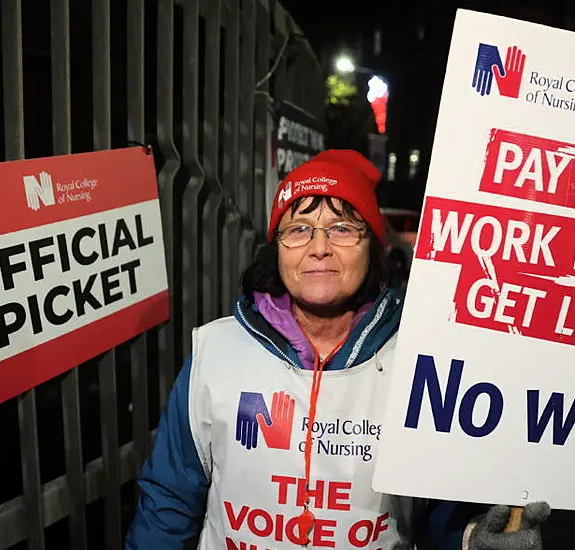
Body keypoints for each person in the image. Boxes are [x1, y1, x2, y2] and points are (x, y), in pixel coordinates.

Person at [124, 150, 551, 549]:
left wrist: (471, 535)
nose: (319, 247)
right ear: (278, 248)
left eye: (343, 228)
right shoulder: (215, 352)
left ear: (372, 246)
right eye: (298, 229)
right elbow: (170, 501)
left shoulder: (418, 359)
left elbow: (437, 509)